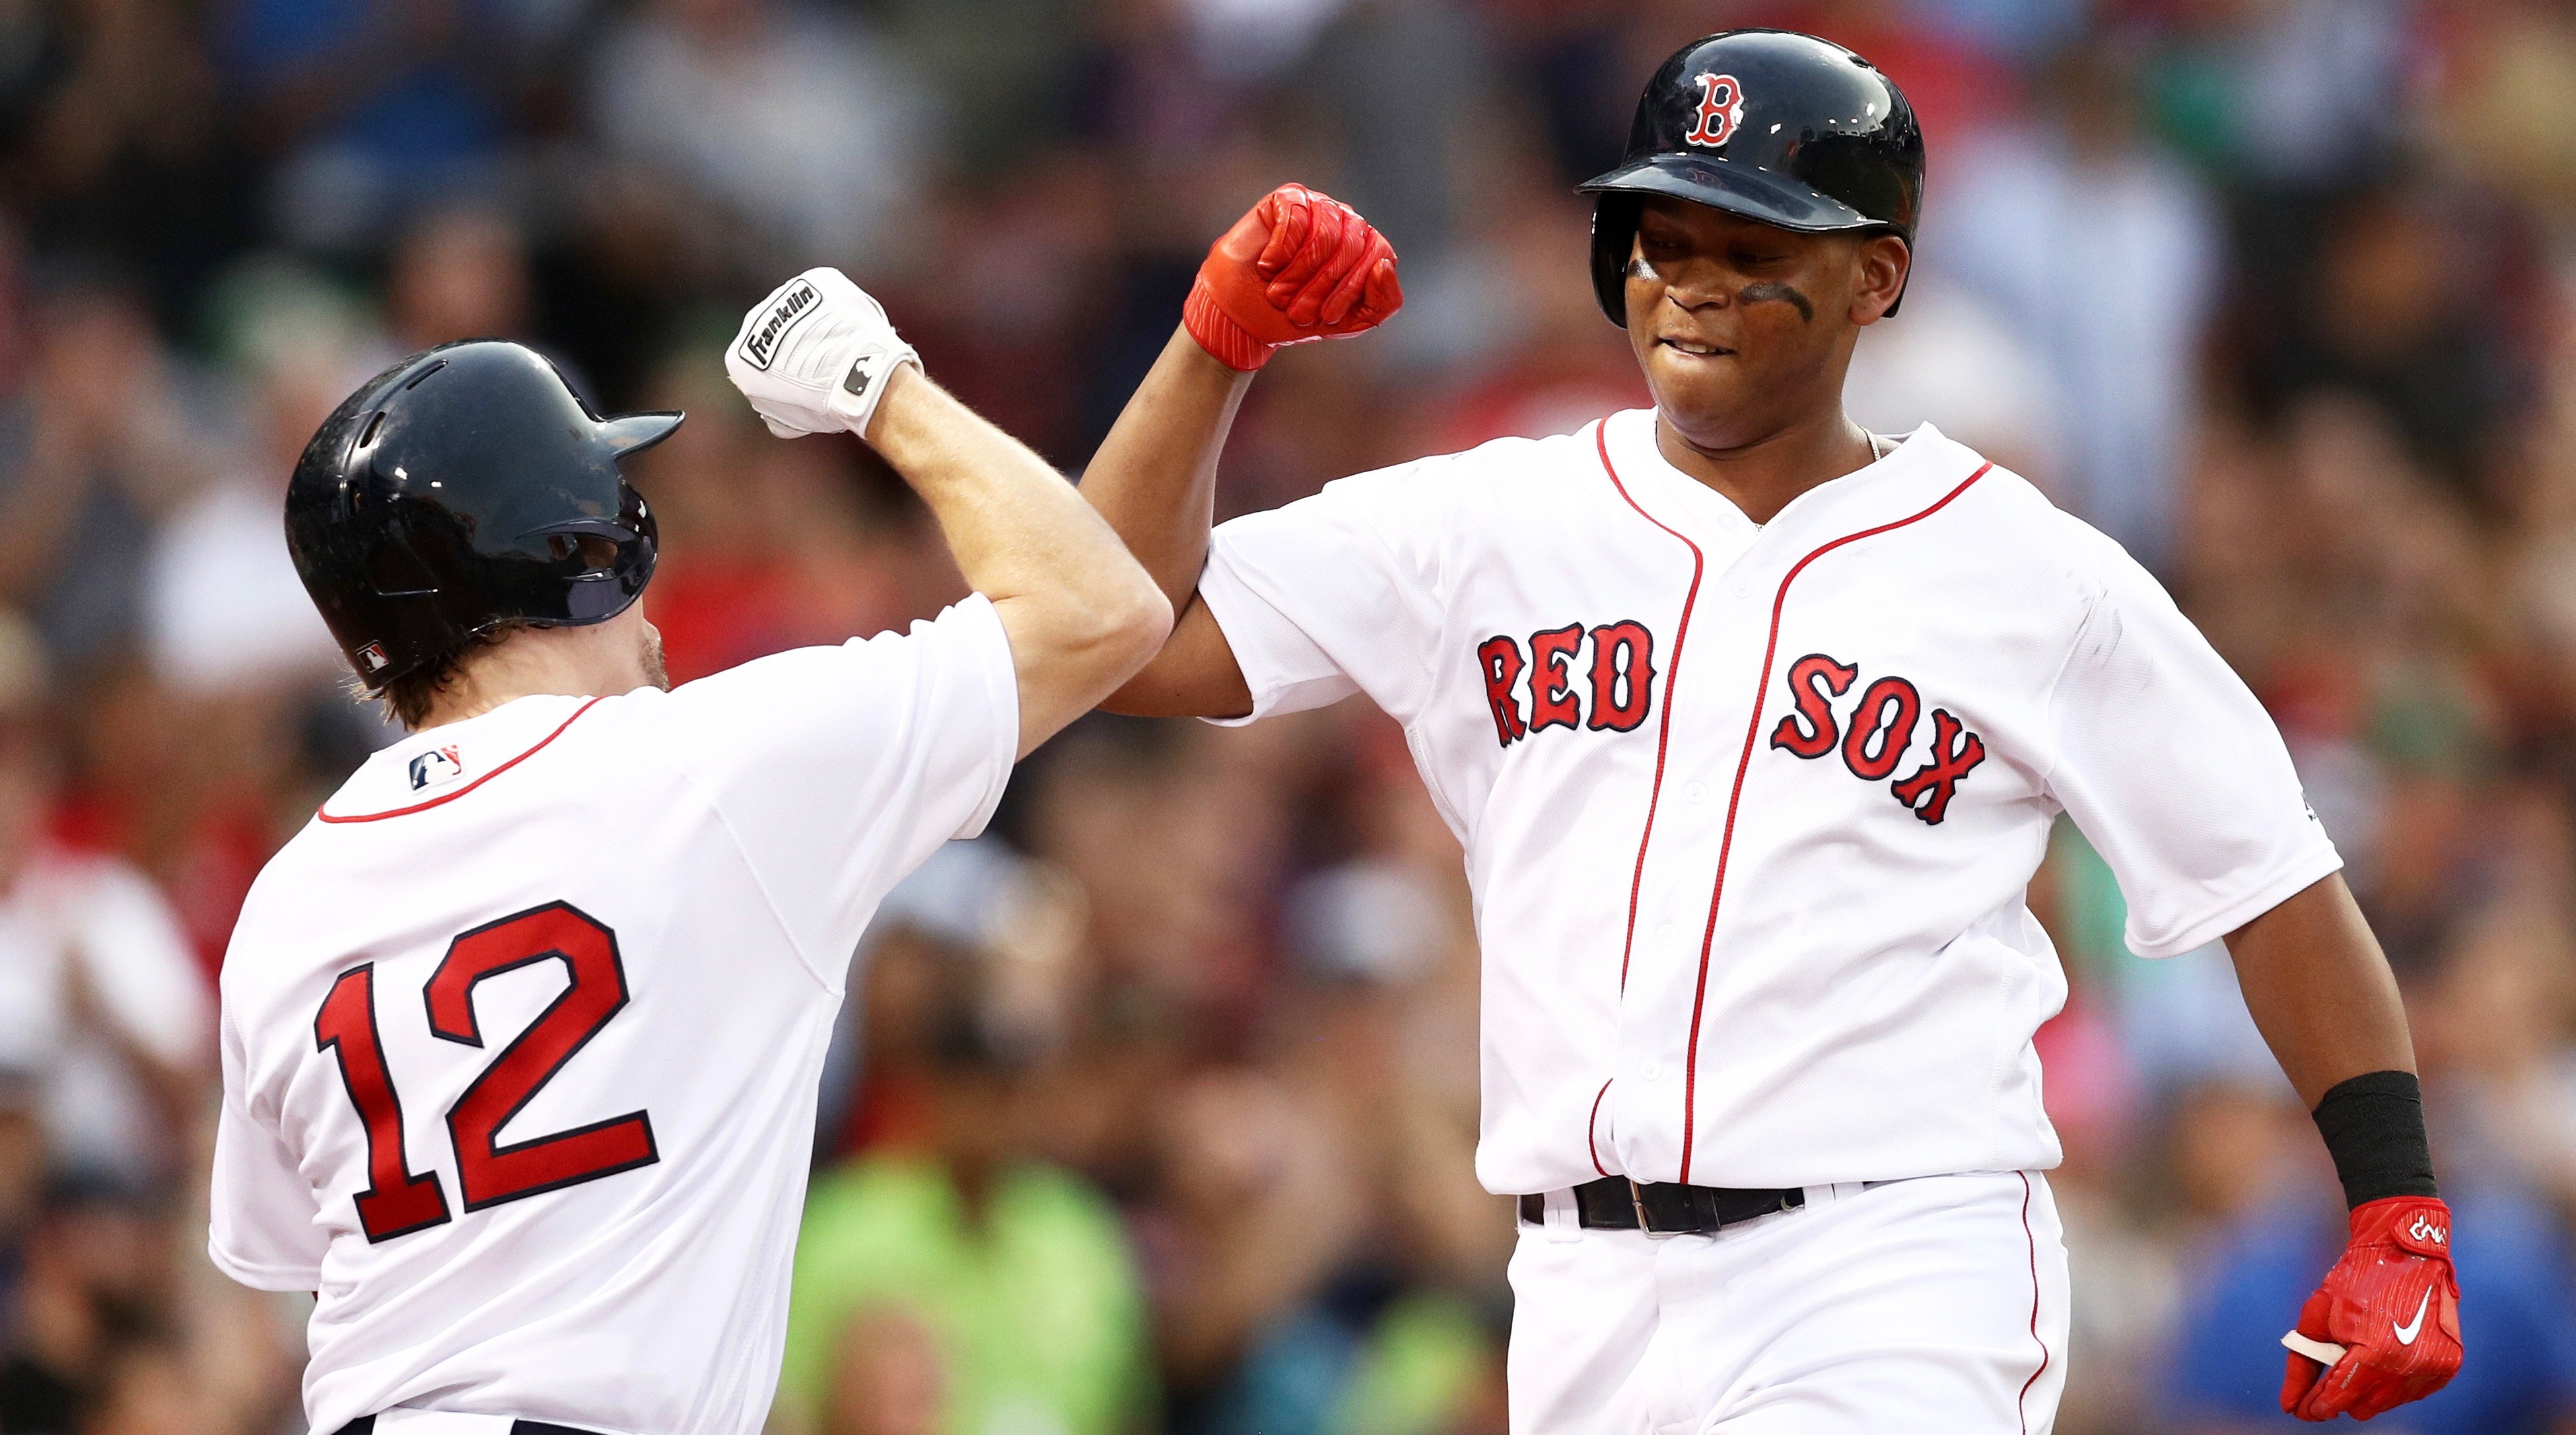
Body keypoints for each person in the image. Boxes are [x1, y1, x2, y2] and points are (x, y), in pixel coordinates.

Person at [1076, 28, 2462, 1434]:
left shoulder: (2027, 571)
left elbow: (2267, 878)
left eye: (1751, 250)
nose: (1692, 288)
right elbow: (1117, 635)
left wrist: (2394, 1203)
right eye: (1661, 240)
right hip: (1578, 1280)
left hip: (1891, 1259)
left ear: (1875, 276)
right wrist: (1213, 349)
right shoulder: (1485, 522)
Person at [206, 271, 1169, 1434]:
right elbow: (1102, 606)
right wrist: (881, 390)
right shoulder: (713, 771)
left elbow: (297, 1260)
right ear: (580, 545)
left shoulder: (288, 899)